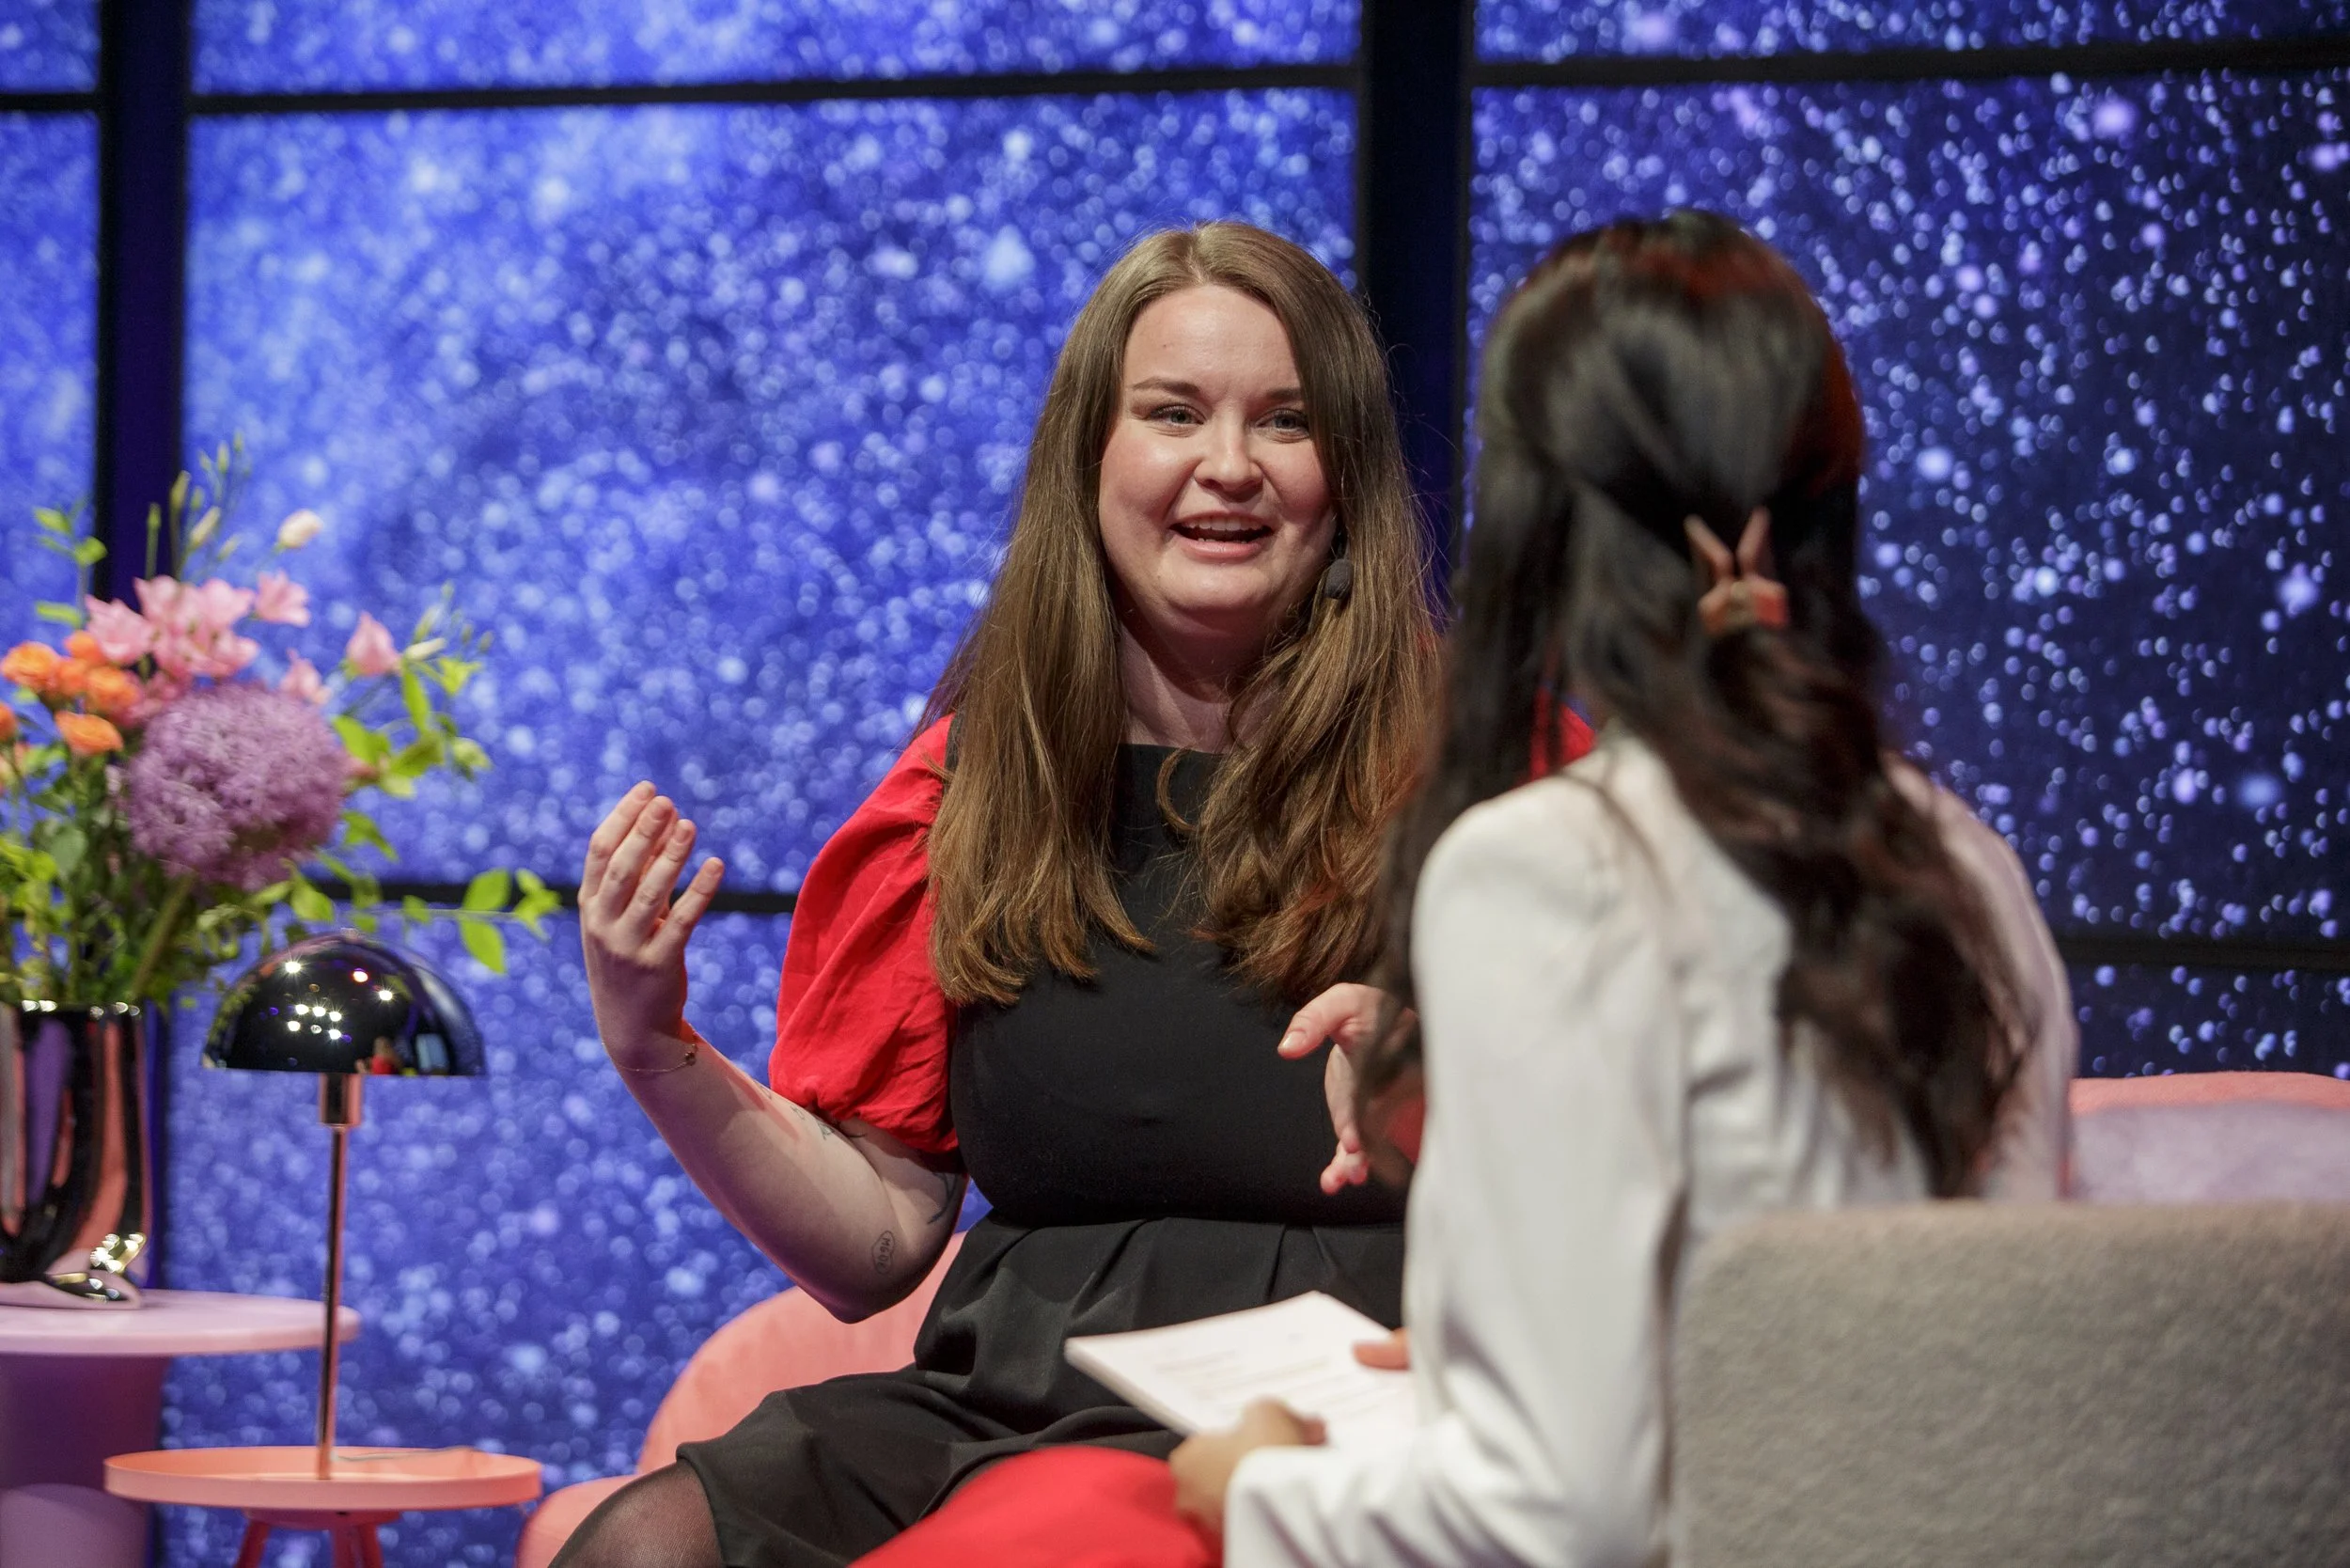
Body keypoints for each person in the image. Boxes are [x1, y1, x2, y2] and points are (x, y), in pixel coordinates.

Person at [864, 211, 2075, 1568]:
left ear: (1543, 536)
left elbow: (1567, 1506)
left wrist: (1250, 1490)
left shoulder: (1538, 869)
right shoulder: (1966, 870)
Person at [557, 220, 1450, 1568]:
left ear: (1348, 479)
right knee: (647, 1546)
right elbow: (877, 1235)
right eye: (1172, 414)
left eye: (1286, 421)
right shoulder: (975, 786)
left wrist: (1456, 1054)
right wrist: (651, 1042)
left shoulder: (1477, 776)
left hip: (1342, 1424)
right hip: (1010, 1406)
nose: (1228, 466)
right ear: (1090, 459)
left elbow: (1648, 1128)